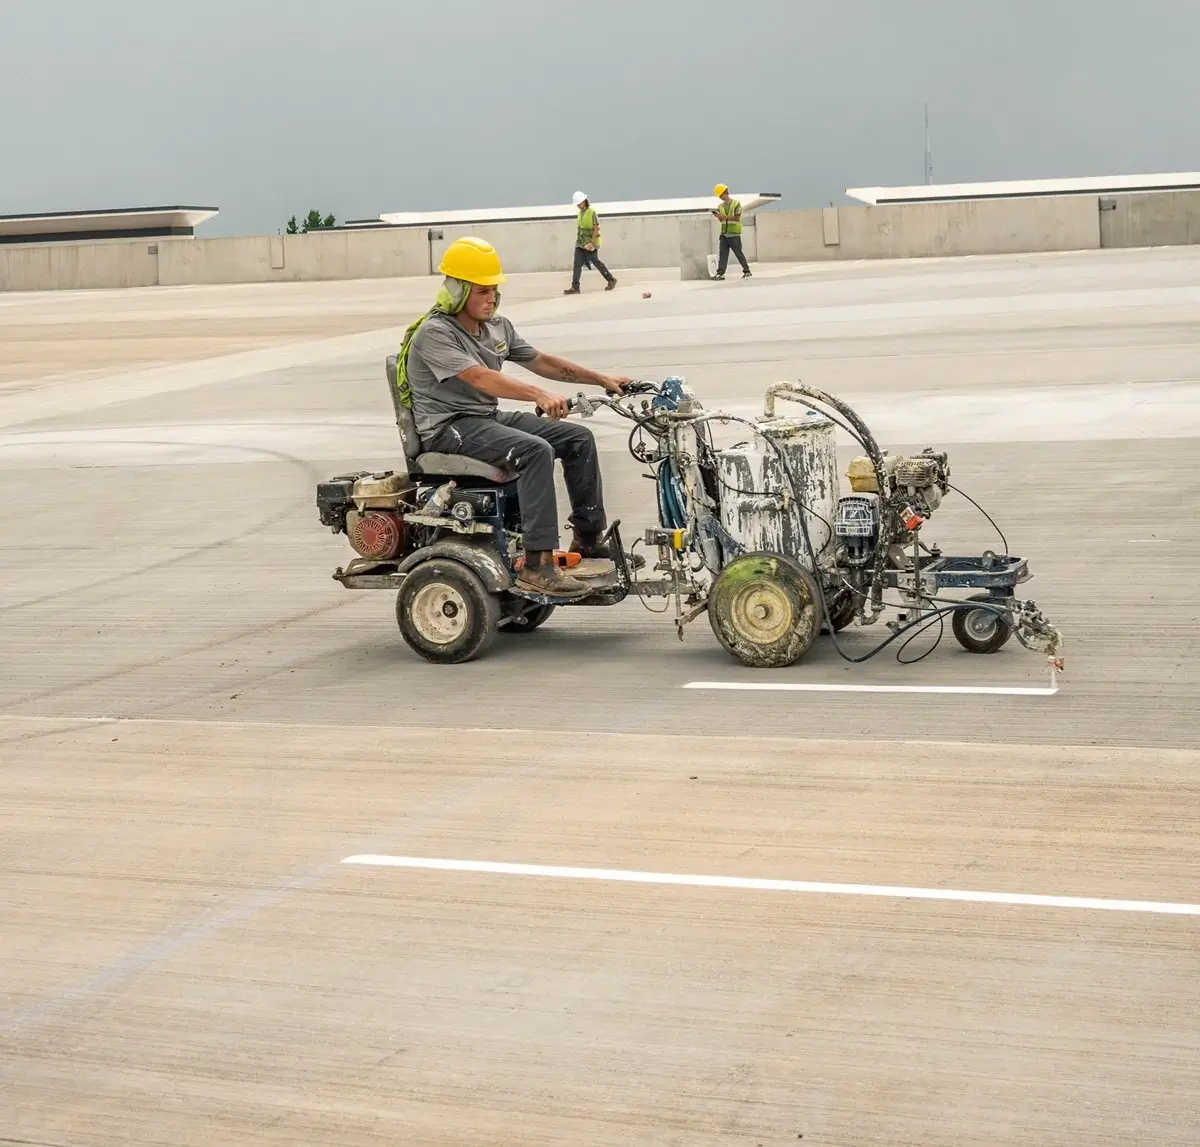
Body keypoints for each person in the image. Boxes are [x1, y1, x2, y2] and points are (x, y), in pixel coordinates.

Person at [399, 236, 630, 598]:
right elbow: (479, 376)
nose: (491, 298)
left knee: (577, 439)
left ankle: (588, 539)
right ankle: (539, 565)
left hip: (484, 420)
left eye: (494, 291)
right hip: (448, 428)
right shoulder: (436, 333)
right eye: (481, 291)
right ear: (457, 290)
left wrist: (601, 378)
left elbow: (542, 361)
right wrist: (537, 394)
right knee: (534, 450)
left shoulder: (497, 327)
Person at [564, 191, 617, 294]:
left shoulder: (592, 212)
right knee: (577, 264)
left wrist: (592, 243)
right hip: (580, 243)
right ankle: (575, 287)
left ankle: (611, 279)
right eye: (577, 204)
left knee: (595, 261)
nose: (578, 206)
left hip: (590, 243)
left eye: (579, 203)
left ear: (584, 201)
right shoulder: (580, 214)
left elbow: (596, 228)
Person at [711, 184, 752, 280]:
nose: (720, 198)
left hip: (734, 234)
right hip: (724, 234)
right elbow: (723, 221)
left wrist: (723, 216)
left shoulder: (736, 204)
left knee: (738, 253)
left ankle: (747, 271)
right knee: (723, 254)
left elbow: (737, 218)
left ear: (725, 193)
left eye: (721, 195)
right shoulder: (720, 206)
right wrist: (718, 217)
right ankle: (720, 273)